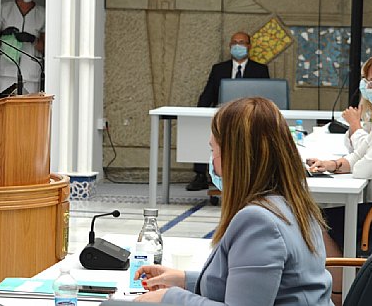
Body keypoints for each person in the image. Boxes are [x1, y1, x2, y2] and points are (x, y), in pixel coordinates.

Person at [135, 97, 333, 305]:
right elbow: (256, 284)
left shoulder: (259, 221)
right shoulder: (294, 204)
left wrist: (170, 298)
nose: (211, 161)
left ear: (234, 157)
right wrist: (185, 280)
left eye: (213, 150)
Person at [307, 54, 372, 304]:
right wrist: (332, 164)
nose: (367, 88)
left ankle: (339, 294)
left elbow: (362, 168)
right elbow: (357, 156)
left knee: (316, 218)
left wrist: (355, 127)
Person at [187, 31, 270, 191]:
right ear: (230, 46)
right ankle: (200, 175)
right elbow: (208, 94)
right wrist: (200, 112)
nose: (238, 46)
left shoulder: (260, 70)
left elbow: (264, 96)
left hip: (248, 117)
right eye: (235, 42)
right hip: (222, 116)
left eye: (242, 42)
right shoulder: (219, 69)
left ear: (249, 46)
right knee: (203, 131)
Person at [0, 0, 45, 94]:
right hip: (6, 71)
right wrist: (3, 33)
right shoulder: (4, 9)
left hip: (30, 73)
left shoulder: (42, 14)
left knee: (27, 109)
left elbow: (45, 47)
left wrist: (32, 39)